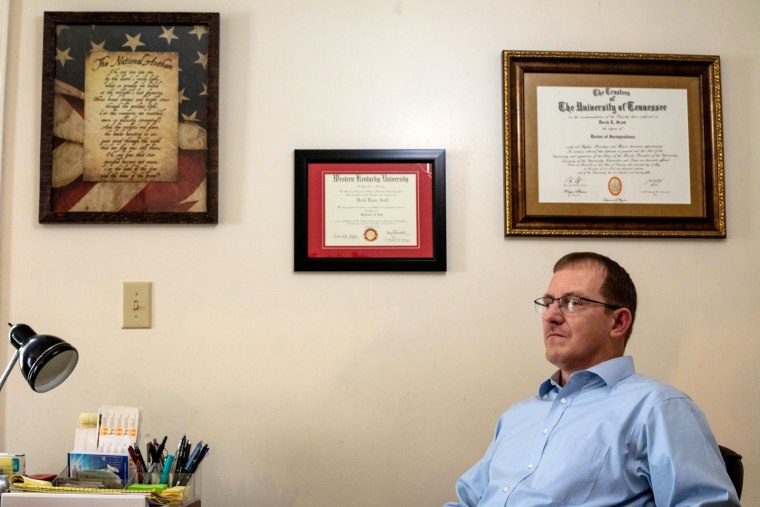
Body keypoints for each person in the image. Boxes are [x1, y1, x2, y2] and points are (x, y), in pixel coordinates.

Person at [444, 252, 739, 506]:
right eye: (548, 303)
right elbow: (468, 500)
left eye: (572, 303)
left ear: (618, 322)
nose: (551, 316)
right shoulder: (517, 416)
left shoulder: (657, 408)